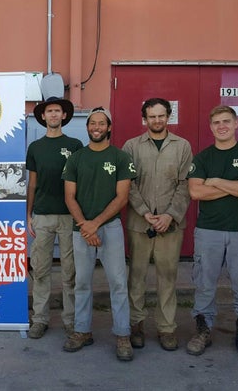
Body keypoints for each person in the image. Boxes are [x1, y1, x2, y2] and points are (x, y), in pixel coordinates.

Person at [186, 105, 238, 362]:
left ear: (235, 124)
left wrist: (216, 181)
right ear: (211, 127)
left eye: (226, 121)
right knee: (204, 284)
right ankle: (203, 330)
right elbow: (196, 193)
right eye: (217, 122)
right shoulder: (202, 158)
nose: (221, 126)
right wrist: (236, 185)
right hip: (208, 231)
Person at [62, 107, 137, 361]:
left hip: (110, 228)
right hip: (81, 229)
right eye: (92, 123)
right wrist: (85, 224)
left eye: (101, 123)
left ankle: (122, 334)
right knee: (82, 282)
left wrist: (95, 223)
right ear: (87, 127)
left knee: (117, 283)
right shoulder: (75, 158)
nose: (96, 127)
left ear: (109, 127)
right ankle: (82, 331)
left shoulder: (120, 157)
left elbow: (122, 197)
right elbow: (69, 197)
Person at [122, 98, 192, 351]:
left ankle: (166, 328)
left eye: (161, 116)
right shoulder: (131, 146)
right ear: (145, 119)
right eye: (152, 117)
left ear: (168, 117)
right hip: (139, 224)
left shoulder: (182, 146)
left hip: (171, 225)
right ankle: (136, 325)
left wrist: (169, 215)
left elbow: (185, 184)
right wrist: (144, 212)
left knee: (167, 278)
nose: (157, 121)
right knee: (136, 277)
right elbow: (127, 183)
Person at [25, 96, 83, 339]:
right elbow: (32, 184)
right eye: (49, 111)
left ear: (64, 115)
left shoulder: (76, 144)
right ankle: (40, 319)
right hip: (43, 216)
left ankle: (71, 320)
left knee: (70, 272)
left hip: (69, 217)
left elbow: (81, 181)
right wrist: (29, 215)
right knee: (40, 270)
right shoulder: (35, 147)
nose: (53, 115)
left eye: (57, 111)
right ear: (43, 116)